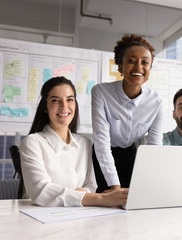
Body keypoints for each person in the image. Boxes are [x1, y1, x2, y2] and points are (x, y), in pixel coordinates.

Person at [20, 76, 128, 207]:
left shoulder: (84, 143)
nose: (64, 106)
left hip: (76, 214)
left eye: (70, 99)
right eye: (55, 100)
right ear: (45, 107)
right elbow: (41, 191)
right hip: (38, 216)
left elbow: (91, 185)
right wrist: (100, 198)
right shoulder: (32, 143)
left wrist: (84, 193)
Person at [91, 34, 164, 193]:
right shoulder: (101, 92)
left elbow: (154, 148)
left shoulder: (156, 102)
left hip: (131, 157)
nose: (139, 67)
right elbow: (101, 141)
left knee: (133, 203)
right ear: (120, 66)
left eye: (145, 62)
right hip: (102, 156)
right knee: (105, 203)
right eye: (131, 61)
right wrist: (115, 187)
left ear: (150, 68)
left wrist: (152, 184)